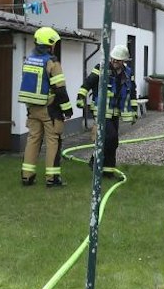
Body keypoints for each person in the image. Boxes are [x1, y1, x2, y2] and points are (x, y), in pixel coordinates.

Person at [18, 26, 75, 188]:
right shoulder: (52, 63)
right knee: (53, 141)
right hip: (49, 109)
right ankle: (52, 179)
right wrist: (68, 110)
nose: (55, 46)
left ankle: (27, 177)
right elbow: (60, 89)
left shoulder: (28, 59)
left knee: (33, 140)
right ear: (49, 44)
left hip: (31, 109)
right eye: (54, 43)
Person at [80, 44, 135, 177]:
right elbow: (88, 83)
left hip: (115, 112)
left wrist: (133, 111)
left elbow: (132, 92)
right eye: (113, 59)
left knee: (113, 142)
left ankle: (108, 172)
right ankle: (95, 159)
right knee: (110, 137)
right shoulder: (101, 69)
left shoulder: (128, 73)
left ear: (124, 61)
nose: (114, 62)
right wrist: (81, 96)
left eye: (118, 60)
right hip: (101, 111)